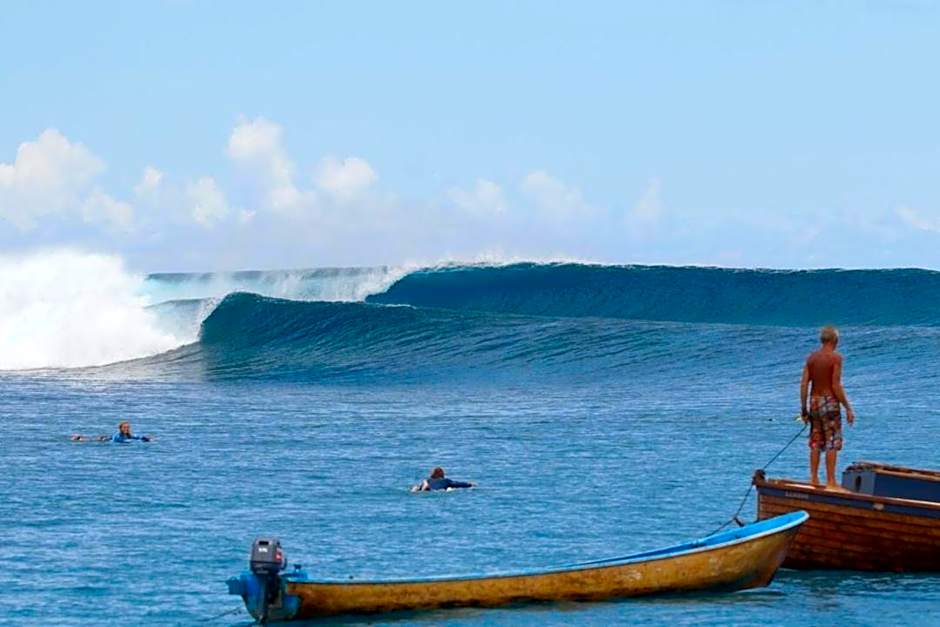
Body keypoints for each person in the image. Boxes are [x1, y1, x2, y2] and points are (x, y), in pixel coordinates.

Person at [800, 326, 855, 488]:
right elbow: (835, 385)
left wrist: (804, 408)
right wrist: (848, 407)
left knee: (816, 441)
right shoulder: (836, 358)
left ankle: (814, 479)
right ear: (835, 341)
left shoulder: (811, 358)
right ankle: (831, 481)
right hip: (829, 401)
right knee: (832, 441)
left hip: (814, 401)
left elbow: (804, 384)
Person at [70, 421, 152, 443]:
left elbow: (138, 437)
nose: (126, 429)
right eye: (124, 427)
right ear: (120, 428)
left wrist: (146, 439)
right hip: (107, 440)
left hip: (109, 438)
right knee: (92, 440)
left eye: (127, 427)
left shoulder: (129, 435)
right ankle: (79, 438)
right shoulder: (118, 436)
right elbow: (122, 441)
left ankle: (80, 437)